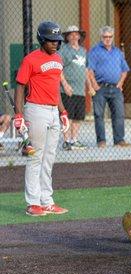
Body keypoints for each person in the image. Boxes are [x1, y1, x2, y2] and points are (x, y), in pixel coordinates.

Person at [14, 21, 70, 216]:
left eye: (57, 40)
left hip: (54, 111)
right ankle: (33, 203)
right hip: (36, 109)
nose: (55, 43)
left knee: (49, 158)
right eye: (51, 40)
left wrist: (63, 112)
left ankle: (47, 200)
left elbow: (56, 88)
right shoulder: (30, 60)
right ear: (42, 40)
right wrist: (18, 115)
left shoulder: (59, 59)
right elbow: (20, 86)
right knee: (35, 156)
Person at [87, 26, 131, 148]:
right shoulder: (95, 51)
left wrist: (121, 83)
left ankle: (119, 140)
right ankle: (101, 141)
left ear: (112, 37)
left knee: (119, 114)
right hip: (100, 88)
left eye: (110, 37)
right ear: (101, 38)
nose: (107, 39)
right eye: (105, 37)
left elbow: (124, 70)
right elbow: (89, 70)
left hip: (116, 89)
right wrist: (94, 84)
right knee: (99, 115)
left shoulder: (118, 52)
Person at [59, 25, 90, 150]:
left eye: (75, 34)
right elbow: (59, 69)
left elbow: (86, 70)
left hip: (80, 90)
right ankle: (66, 141)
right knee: (68, 116)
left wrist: (90, 87)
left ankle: (74, 140)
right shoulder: (63, 50)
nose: (73, 36)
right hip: (68, 90)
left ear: (79, 36)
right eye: (70, 34)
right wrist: (65, 85)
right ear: (67, 37)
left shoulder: (83, 51)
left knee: (78, 117)